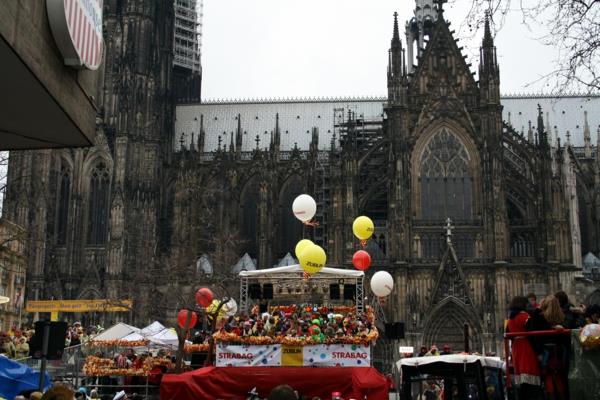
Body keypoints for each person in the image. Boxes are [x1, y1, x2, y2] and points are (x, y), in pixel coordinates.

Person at [506, 296, 543, 400]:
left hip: (516, 347)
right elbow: (532, 334)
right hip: (526, 346)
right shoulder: (525, 316)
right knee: (530, 372)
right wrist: (538, 352)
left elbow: (508, 334)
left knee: (522, 375)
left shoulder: (510, 319)